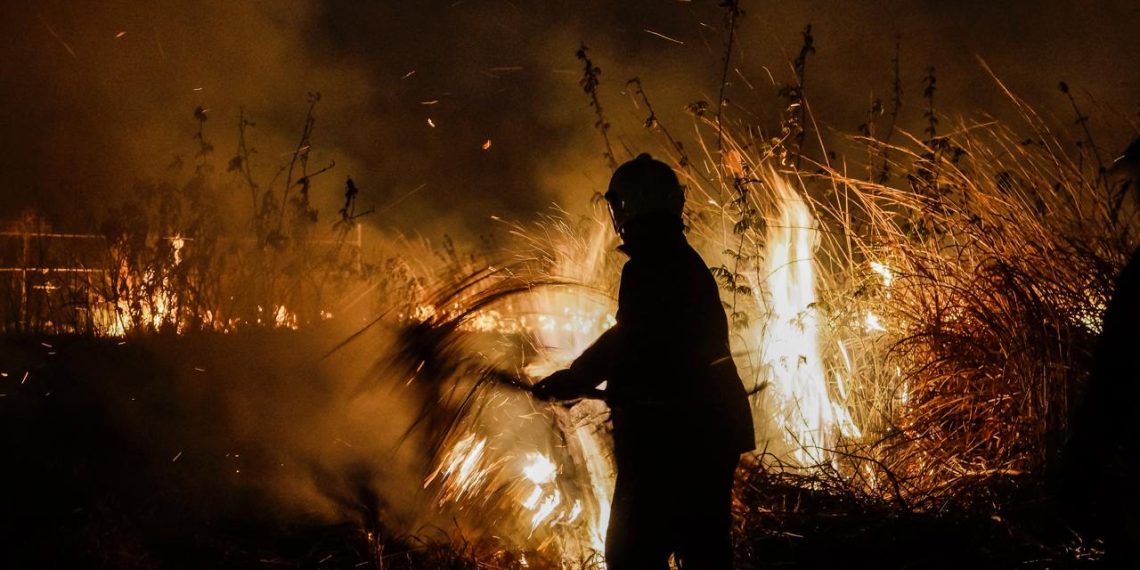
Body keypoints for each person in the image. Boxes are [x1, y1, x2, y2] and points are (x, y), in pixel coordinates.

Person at [533, 153, 755, 569]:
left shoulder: (651, 266)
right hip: (709, 432)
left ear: (622, 207)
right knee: (704, 552)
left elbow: (631, 339)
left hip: (673, 439)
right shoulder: (680, 261)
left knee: (631, 556)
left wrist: (576, 376)